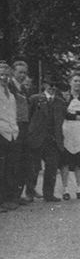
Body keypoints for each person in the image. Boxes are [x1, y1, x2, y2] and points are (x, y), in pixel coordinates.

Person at [27, 75, 66, 202]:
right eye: (50, 85)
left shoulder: (60, 102)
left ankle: (48, 194)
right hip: (37, 139)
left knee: (52, 168)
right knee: (33, 168)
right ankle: (30, 192)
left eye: (55, 85)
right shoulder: (35, 99)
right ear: (44, 85)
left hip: (53, 140)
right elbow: (28, 117)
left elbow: (63, 119)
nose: (52, 88)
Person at [60, 72, 80, 200]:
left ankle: (79, 189)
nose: (78, 83)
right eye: (75, 81)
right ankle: (65, 189)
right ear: (70, 82)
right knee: (65, 162)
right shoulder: (63, 97)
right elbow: (62, 112)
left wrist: (73, 112)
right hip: (66, 130)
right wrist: (77, 116)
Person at [8, 60, 36, 204]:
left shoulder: (24, 89)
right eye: (20, 72)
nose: (22, 75)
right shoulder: (8, 86)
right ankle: (11, 197)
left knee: (24, 162)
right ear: (13, 72)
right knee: (14, 162)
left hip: (25, 127)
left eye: (24, 72)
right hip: (13, 126)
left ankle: (18, 195)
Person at [0, 62, 20, 212]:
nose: (3, 77)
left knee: (10, 168)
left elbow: (12, 114)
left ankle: (8, 199)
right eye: (1, 74)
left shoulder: (11, 94)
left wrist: (15, 129)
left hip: (12, 134)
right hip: (1, 132)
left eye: (6, 75)